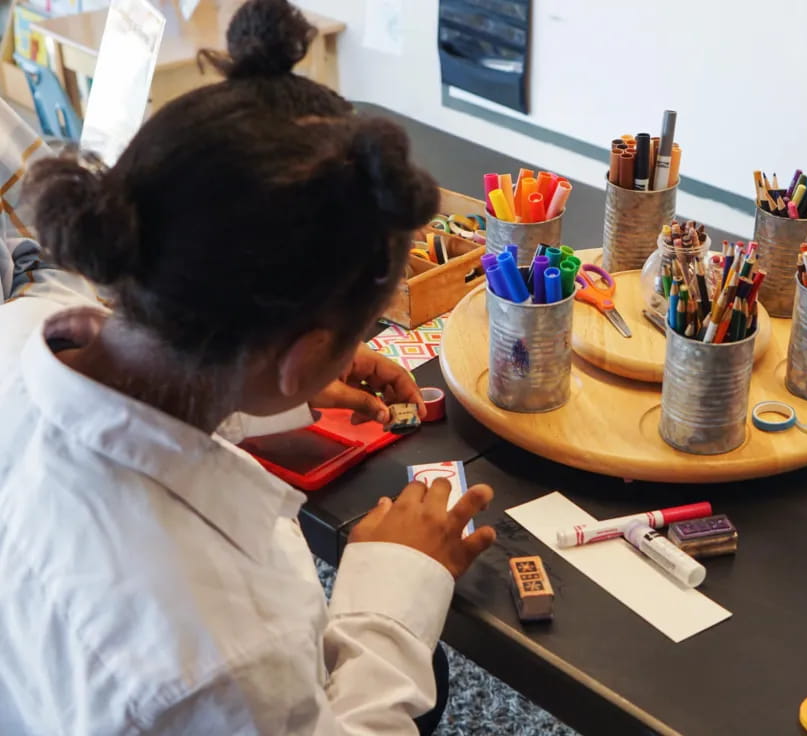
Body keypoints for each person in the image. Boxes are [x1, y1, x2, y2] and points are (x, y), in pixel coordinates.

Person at [0, 4, 497, 733]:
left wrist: (255, 398)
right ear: (299, 355)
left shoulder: (23, 328)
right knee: (421, 672)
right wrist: (392, 593)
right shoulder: (225, 662)